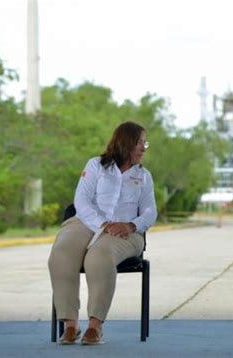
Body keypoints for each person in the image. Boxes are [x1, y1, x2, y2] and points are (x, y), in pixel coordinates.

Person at [48, 121, 157, 345]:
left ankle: (95, 327)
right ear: (125, 143)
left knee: (98, 257)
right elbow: (82, 200)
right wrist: (103, 224)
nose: (144, 148)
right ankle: (70, 324)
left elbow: (150, 211)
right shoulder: (96, 166)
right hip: (86, 222)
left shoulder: (144, 176)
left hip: (127, 232)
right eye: (140, 143)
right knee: (61, 254)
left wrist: (131, 225)